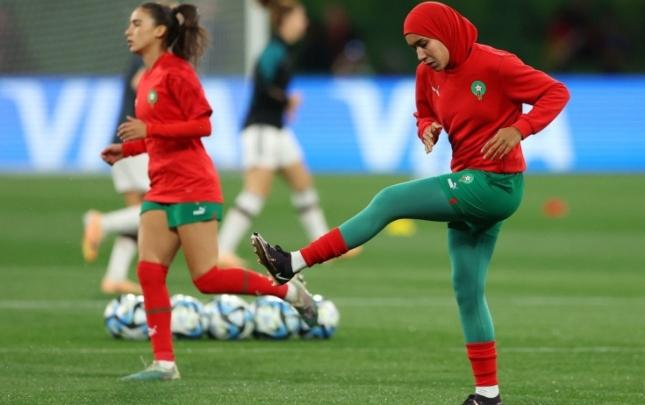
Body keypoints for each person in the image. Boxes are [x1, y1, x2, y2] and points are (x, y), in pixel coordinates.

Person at [250, 2, 570, 404]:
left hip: (495, 184)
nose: (420, 54)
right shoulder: (427, 73)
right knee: (468, 291)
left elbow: (556, 92)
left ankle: (292, 262)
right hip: (472, 183)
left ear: (445, 33)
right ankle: (488, 395)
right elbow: (423, 111)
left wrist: (520, 129)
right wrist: (427, 127)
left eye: (424, 43)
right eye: (414, 47)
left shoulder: (496, 64)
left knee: (390, 200)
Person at [101, 2, 318, 381]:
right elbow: (159, 136)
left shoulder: (178, 72)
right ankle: (164, 364)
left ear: (159, 31)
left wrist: (149, 131)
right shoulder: (146, 79)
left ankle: (287, 293)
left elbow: (202, 125)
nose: (127, 31)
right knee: (149, 271)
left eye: (137, 23)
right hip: (161, 187)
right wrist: (129, 149)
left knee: (206, 279)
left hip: (193, 187)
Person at [217, 0, 360, 268]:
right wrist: (287, 100)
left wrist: (284, 102)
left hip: (277, 130)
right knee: (256, 192)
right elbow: (261, 85)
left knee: (302, 183)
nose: (305, 23)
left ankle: (325, 246)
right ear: (286, 21)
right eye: (301, 17)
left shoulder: (281, 50)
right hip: (262, 129)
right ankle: (221, 250)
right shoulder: (273, 51)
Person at [82, 55, 146, 295]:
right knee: (161, 209)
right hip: (137, 144)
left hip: (121, 142)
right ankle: (101, 223)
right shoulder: (154, 55)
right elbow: (141, 84)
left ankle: (114, 277)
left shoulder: (141, 55)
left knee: (137, 216)